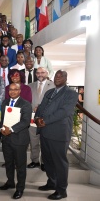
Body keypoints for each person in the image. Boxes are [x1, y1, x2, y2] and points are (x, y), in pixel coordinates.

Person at [34, 70, 78, 200]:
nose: (58, 78)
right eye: (56, 76)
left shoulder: (71, 94)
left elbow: (64, 111)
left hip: (59, 133)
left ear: (65, 78)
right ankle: (52, 182)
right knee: (47, 160)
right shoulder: (49, 92)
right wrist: (37, 118)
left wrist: (45, 120)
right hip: (45, 132)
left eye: (61, 76)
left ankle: (61, 189)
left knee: (60, 162)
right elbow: (41, 107)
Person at [0, 83, 32, 199]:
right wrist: (2, 128)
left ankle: (20, 188)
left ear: (20, 91)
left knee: (20, 165)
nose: (12, 92)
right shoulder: (5, 102)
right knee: (8, 163)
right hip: (6, 138)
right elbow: (2, 118)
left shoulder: (26, 104)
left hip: (19, 139)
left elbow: (25, 122)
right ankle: (10, 182)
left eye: (15, 89)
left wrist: (11, 130)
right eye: (11, 89)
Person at [27, 67, 55, 169]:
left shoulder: (53, 85)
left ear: (47, 73)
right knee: (33, 141)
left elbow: (55, 102)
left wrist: (42, 108)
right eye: (38, 73)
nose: (40, 74)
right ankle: (35, 161)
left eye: (42, 72)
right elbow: (27, 101)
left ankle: (44, 162)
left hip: (46, 119)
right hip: (33, 118)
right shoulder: (30, 86)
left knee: (45, 142)